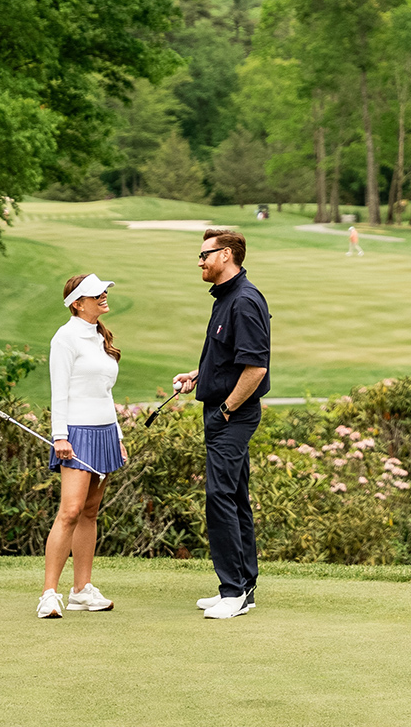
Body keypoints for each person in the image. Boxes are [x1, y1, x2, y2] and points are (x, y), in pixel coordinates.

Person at [172, 229, 269, 620]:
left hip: (232, 415)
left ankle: (233, 592)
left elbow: (256, 367)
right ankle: (242, 587)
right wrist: (201, 374)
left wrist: (226, 409)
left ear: (226, 255)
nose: (199, 261)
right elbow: (230, 356)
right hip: (223, 408)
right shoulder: (226, 297)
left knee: (220, 498)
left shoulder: (244, 301)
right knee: (235, 497)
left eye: (204, 254)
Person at [39, 273, 128, 619]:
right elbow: (58, 391)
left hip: (105, 432)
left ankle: (81, 590)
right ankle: (49, 593)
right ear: (77, 303)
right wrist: (59, 435)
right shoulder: (65, 338)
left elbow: (105, 395)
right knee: (70, 511)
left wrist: (117, 437)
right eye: (96, 294)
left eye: (103, 291)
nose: (103, 296)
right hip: (76, 433)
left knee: (90, 512)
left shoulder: (98, 336)